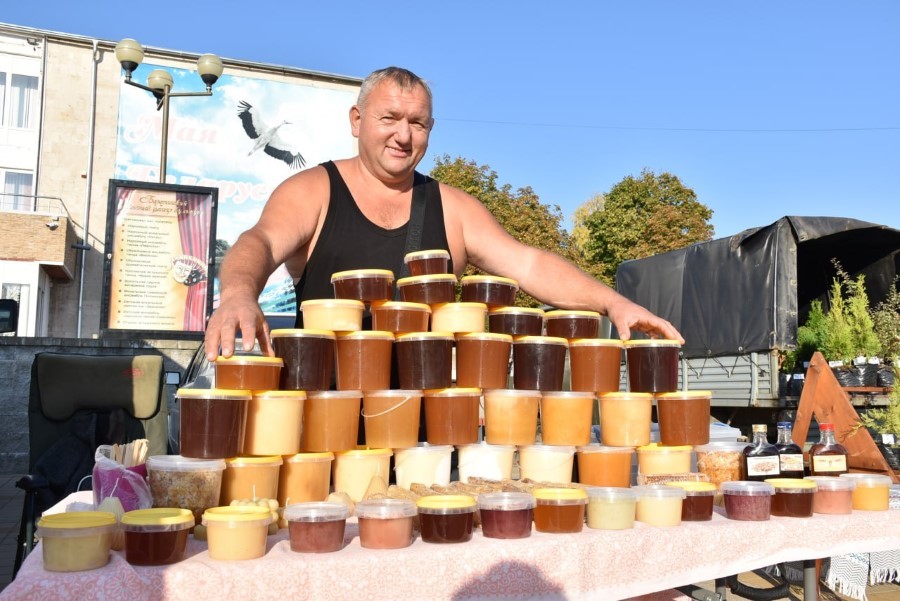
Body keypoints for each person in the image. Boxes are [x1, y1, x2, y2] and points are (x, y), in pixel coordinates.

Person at [205, 66, 682, 361]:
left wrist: (613, 303)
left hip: (427, 434)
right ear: (357, 120)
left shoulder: (453, 208)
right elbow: (259, 242)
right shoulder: (313, 190)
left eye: (418, 123)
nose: (403, 136)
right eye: (389, 119)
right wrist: (239, 296)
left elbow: (529, 264)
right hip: (321, 424)